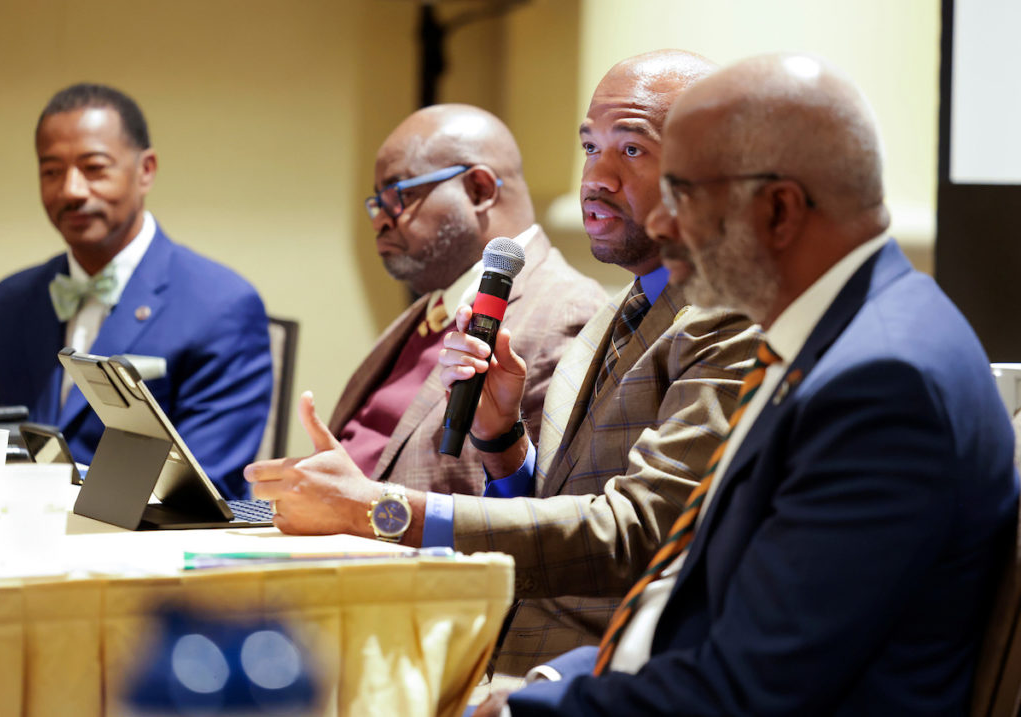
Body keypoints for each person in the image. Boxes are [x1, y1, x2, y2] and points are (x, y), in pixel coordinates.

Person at [475, 52, 1020, 716]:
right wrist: (557, 682)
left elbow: (752, 689)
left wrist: (516, 712)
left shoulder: (882, 382)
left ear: (779, 210)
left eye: (683, 195)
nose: (662, 224)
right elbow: (699, 611)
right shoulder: (830, 336)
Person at [245, 51, 761, 678]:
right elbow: (561, 497)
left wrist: (375, 510)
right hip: (501, 656)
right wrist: (501, 437)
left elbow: (638, 531)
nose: (595, 177)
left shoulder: (729, 314)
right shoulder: (622, 305)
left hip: (588, 677)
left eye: (630, 150)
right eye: (589, 147)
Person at [0, 83, 272, 500]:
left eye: (94, 167)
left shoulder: (221, 307)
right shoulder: (10, 301)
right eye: (51, 171)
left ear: (146, 170)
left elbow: (201, 489)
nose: (71, 190)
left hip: (153, 553)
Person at [329, 103, 604, 494]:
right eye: (377, 202)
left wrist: (358, 508)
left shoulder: (566, 312)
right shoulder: (434, 308)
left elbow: (546, 516)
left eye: (396, 195)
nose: (380, 220)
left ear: (479, 190)